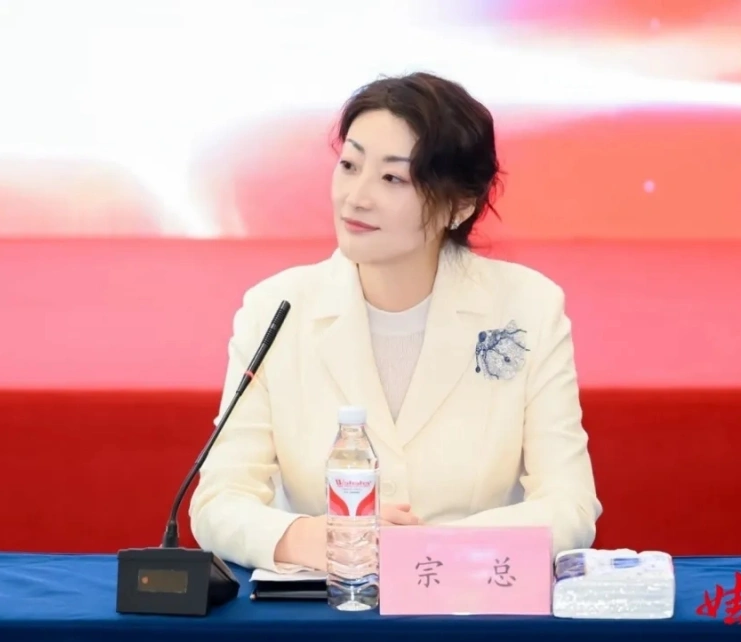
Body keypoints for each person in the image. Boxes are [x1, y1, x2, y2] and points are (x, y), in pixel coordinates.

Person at [189, 72, 602, 572]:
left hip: (468, 597)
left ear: (459, 205)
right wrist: (313, 538)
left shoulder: (528, 306)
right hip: (332, 599)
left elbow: (570, 505)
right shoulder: (276, 308)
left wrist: (426, 550)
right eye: (349, 165)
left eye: (392, 178)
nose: (356, 197)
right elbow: (218, 501)